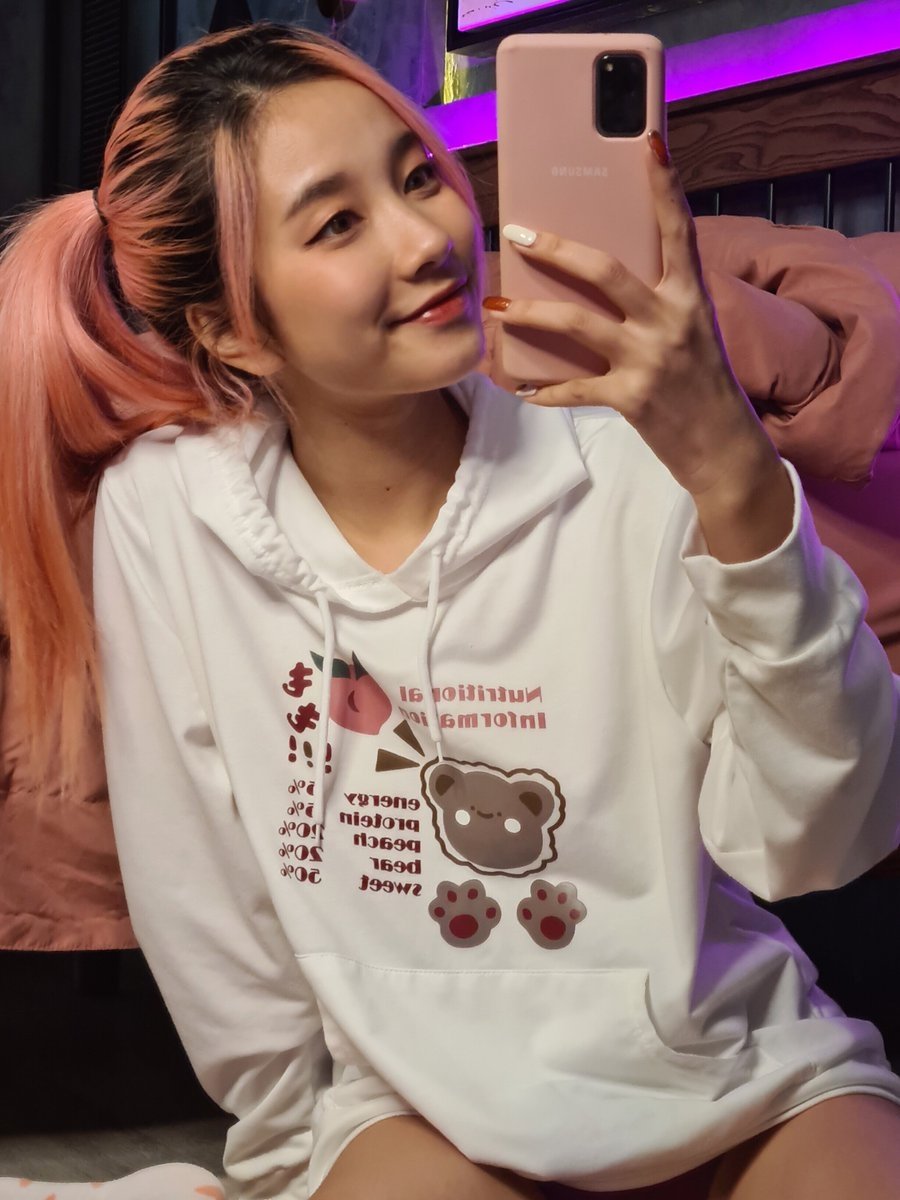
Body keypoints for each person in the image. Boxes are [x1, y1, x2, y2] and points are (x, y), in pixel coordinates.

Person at [1, 20, 899, 1200]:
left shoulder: (632, 443)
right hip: (415, 1104)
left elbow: (817, 838)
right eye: (338, 222)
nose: (428, 237)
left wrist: (735, 477)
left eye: (419, 173)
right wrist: (295, 1149)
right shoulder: (168, 512)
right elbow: (201, 892)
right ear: (227, 327)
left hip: (738, 1071)